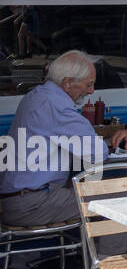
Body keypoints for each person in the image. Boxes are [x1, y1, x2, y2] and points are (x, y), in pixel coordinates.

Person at [0, 50, 105, 230]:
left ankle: (22, 259)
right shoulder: (56, 106)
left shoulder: (37, 95)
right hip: (32, 203)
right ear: (68, 83)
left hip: (17, 199)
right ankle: (108, 258)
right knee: (116, 200)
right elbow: (98, 151)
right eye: (89, 84)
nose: (91, 91)